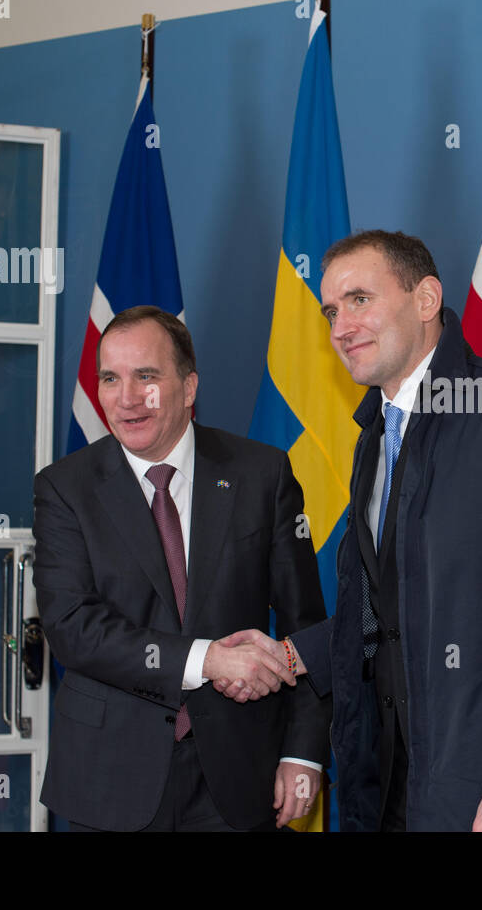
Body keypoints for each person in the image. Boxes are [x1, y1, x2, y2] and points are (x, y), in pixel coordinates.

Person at [214, 231, 482, 831]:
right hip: (397, 787)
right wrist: (290, 653)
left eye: (360, 299)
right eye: (332, 310)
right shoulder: (374, 439)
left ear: (426, 299)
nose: (340, 327)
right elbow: (390, 610)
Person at [33, 305, 330, 831]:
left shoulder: (261, 474)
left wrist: (302, 753)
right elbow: (73, 628)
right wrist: (208, 660)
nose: (126, 398)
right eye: (110, 378)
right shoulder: (64, 488)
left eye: (146, 376)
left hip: (239, 779)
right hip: (109, 780)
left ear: (189, 388)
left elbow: (305, 626)